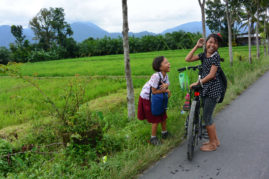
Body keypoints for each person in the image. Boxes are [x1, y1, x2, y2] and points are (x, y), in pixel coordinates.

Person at [185, 34, 223, 152]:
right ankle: (215, 140)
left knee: (207, 118)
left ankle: (212, 144)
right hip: (206, 88)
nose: (212, 45)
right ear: (206, 43)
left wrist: (198, 83)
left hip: (213, 90)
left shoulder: (215, 57)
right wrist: (197, 46)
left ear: (218, 46)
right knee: (208, 117)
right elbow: (188, 59)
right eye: (210, 42)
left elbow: (211, 75)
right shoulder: (204, 55)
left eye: (215, 43)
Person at [137, 56, 171, 145]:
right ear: (160, 67)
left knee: (163, 114)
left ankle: (164, 133)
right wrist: (166, 90)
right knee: (155, 117)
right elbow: (154, 91)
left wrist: (166, 87)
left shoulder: (166, 75)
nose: (169, 64)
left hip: (159, 97)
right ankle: (153, 138)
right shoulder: (156, 76)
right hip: (148, 98)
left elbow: (166, 84)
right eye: (166, 62)